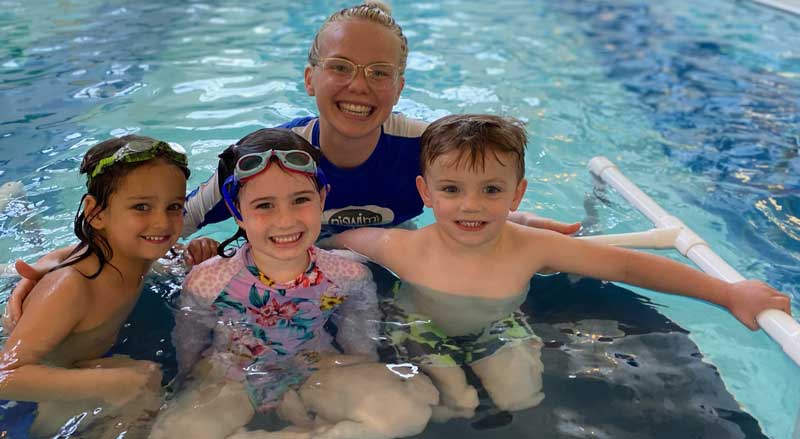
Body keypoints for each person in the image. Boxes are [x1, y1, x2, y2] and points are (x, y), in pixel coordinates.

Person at [2, 0, 577, 325]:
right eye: (341, 67)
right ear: (310, 78)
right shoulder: (269, 159)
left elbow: (471, 197)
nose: (360, 86)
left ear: (399, 86)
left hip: (364, 281)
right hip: (273, 279)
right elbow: (162, 224)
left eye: (380, 72)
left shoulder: (429, 147)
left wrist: (516, 226)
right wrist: (74, 256)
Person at [330, 114, 794, 421]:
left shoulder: (530, 246)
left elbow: (626, 265)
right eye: (451, 189)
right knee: (452, 402)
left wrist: (728, 294)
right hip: (419, 328)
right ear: (425, 193)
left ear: (517, 194)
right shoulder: (402, 247)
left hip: (500, 327)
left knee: (521, 398)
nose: (470, 205)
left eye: (491, 190)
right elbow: (334, 236)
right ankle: (455, 400)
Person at [149, 128, 383, 439]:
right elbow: (189, 356)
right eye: (264, 205)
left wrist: (359, 389)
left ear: (322, 198)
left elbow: (362, 355)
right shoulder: (207, 281)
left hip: (318, 369)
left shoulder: (349, 276)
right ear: (237, 211)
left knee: (400, 413)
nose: (285, 221)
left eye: (300, 199)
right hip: (232, 379)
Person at [0, 135, 190, 437]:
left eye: (174, 206)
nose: (162, 222)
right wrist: (111, 383)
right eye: (141, 206)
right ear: (96, 213)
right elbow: (5, 375)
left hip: (77, 353)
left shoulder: (137, 253)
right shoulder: (74, 288)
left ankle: (22, 220)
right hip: (27, 398)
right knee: (144, 393)